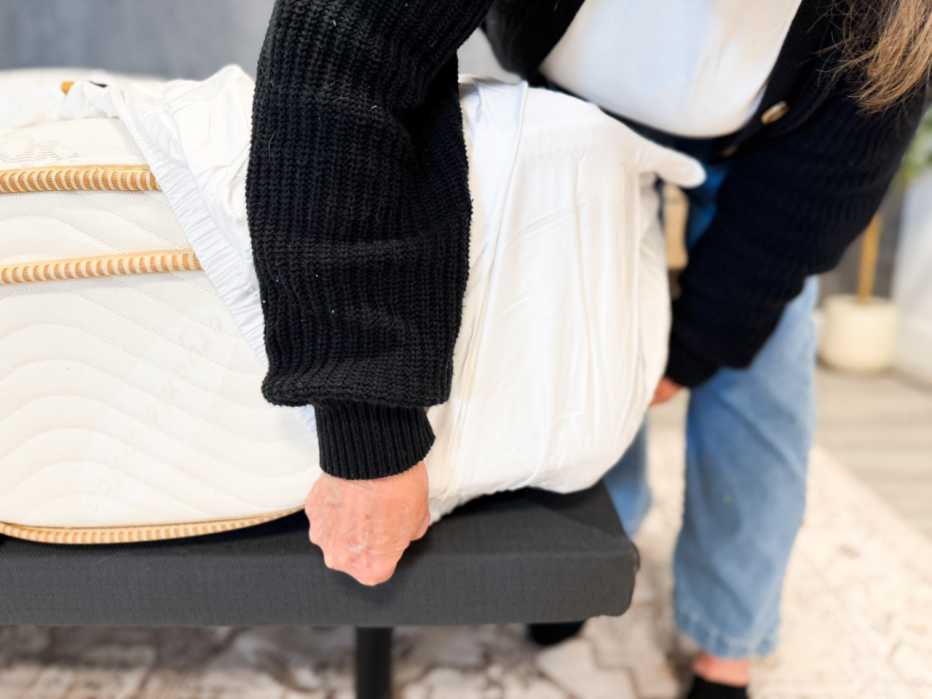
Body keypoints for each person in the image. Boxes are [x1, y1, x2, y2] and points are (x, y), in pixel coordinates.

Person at [244, 2, 931, 697]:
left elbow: (802, 209)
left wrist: (691, 349)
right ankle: (594, 548)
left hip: (769, 144)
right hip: (582, 110)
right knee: (579, 343)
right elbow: (340, 56)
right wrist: (366, 425)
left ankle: (730, 638)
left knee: (764, 373)